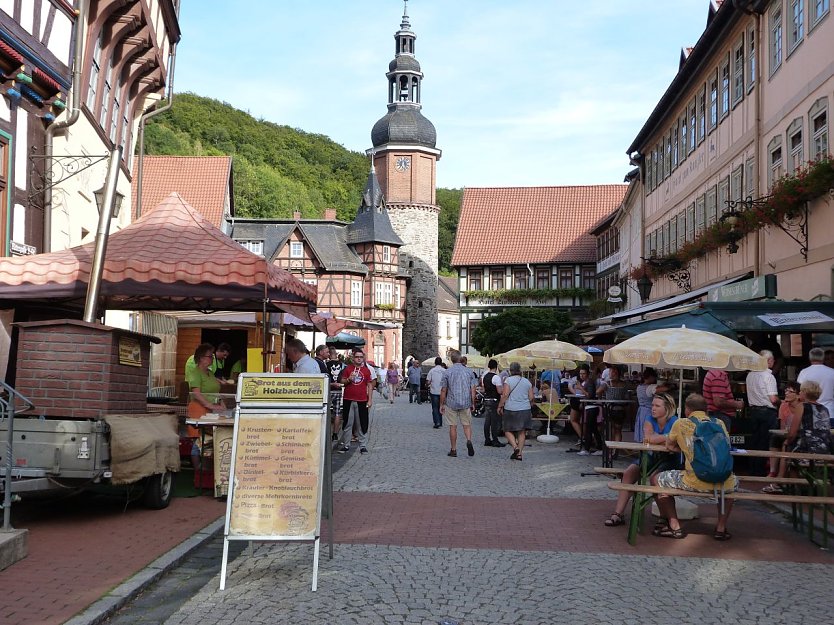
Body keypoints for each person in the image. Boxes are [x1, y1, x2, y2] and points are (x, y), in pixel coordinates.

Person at [651, 393, 738, 540]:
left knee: (656, 479)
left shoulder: (681, 423)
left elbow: (670, 446)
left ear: (687, 410)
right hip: (723, 480)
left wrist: (685, 449)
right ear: (706, 409)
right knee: (732, 484)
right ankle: (721, 528)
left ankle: (674, 526)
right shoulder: (719, 423)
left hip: (695, 480)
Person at [604, 393, 680, 527]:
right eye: (652, 405)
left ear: (667, 408)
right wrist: (666, 437)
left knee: (656, 479)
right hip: (650, 456)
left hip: (671, 460)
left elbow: (673, 443)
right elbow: (648, 438)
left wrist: (658, 438)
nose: (653, 408)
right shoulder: (649, 418)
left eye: (657, 406)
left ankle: (664, 517)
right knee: (629, 473)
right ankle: (618, 513)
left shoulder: (675, 421)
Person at [762, 381, 804, 493]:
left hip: (800, 437)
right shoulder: (784, 405)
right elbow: (783, 427)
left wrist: (788, 438)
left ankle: (779, 482)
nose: (786, 393)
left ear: (798, 395)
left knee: (786, 446)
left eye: (790, 391)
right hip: (790, 434)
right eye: (785, 391)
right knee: (775, 439)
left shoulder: (803, 406)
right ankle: (773, 471)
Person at [745, 350, 779, 475]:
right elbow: (773, 399)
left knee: (754, 441)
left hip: (753, 411)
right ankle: (760, 470)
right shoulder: (768, 376)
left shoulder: (750, 375)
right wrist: (782, 402)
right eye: (773, 360)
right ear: (769, 361)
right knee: (765, 442)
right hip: (767, 412)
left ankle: (752, 468)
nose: (774, 362)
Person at [439, 349, 477, 458]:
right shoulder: (469, 372)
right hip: (465, 402)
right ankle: (469, 440)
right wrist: (472, 402)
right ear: (461, 359)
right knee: (467, 425)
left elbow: (443, 390)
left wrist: (441, 404)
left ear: (451, 360)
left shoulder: (447, 372)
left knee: (453, 426)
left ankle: (453, 449)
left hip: (451, 402)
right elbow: (473, 389)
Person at [336, 350, 375, 455]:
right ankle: (346, 445)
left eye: (361, 357)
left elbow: (370, 385)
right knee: (348, 423)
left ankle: (363, 446)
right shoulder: (348, 369)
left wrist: (370, 399)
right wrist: (349, 379)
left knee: (362, 423)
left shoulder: (366, 371)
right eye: (357, 357)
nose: (359, 358)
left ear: (363, 358)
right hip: (348, 399)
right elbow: (342, 381)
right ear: (353, 358)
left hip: (362, 400)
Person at [497, 362, 535, 461]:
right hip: (525, 409)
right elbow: (531, 397)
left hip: (511, 409)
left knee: (507, 430)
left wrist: (500, 406)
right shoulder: (527, 382)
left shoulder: (508, 380)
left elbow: (505, 395)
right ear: (520, 370)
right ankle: (520, 454)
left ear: (510, 370)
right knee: (522, 432)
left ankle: (515, 447)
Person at [792, 380, 832, 455]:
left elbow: (792, 433)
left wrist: (787, 441)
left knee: (784, 446)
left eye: (801, 391)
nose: (799, 393)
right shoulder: (825, 409)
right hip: (825, 450)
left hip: (807, 450)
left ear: (805, 392)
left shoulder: (801, 406)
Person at [594, 365, 630, 444]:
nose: (610, 373)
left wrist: (601, 398)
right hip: (620, 410)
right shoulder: (624, 384)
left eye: (610, 372)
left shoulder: (607, 384)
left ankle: (610, 451)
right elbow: (627, 397)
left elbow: (597, 392)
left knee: (610, 430)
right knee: (618, 430)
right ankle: (616, 449)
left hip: (609, 409)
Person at [797, 347, 834, 423]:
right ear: (823, 358)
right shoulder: (832, 372)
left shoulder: (804, 372)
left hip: (809, 412)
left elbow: (800, 393)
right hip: (830, 411)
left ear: (810, 358)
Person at [481, 359, 505, 446]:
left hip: (486, 400)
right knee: (494, 421)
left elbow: (484, 389)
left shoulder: (485, 376)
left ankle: (487, 439)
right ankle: (495, 440)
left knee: (487, 421)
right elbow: (499, 391)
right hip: (494, 401)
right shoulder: (496, 377)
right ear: (496, 367)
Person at [633, 368, 658, 443]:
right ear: (651, 377)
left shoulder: (639, 387)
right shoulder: (650, 387)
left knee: (642, 430)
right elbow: (661, 389)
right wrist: (671, 386)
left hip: (641, 411)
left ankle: (642, 450)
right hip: (649, 411)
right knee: (648, 431)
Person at [426, 357, 446, 428]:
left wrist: (427, 384)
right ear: (441, 363)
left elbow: (428, 381)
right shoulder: (444, 371)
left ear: (435, 363)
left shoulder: (432, 370)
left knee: (435, 407)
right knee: (441, 406)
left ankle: (436, 422)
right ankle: (440, 422)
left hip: (434, 391)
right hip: (443, 391)